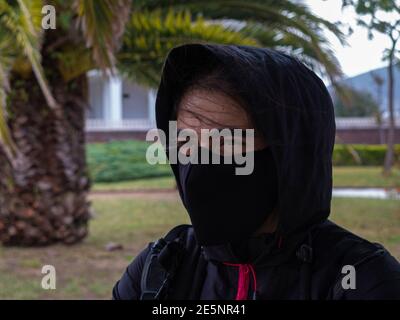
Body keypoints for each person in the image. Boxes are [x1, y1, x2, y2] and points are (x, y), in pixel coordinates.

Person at [112, 43, 400, 300]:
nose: (199, 162)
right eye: (186, 140)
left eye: (225, 140)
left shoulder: (361, 279)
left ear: (289, 153)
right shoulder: (159, 268)